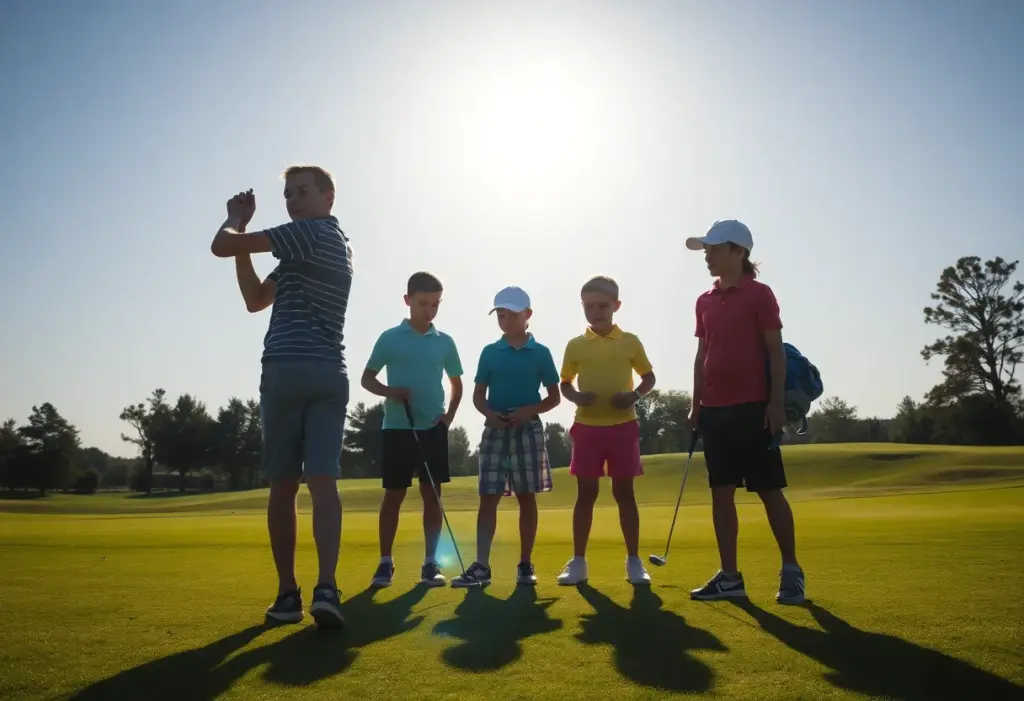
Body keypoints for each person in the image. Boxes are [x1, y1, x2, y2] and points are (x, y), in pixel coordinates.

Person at [209, 165, 351, 628]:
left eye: (303, 192)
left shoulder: (308, 234)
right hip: (328, 372)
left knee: (287, 485)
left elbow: (221, 244)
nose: (293, 201)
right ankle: (320, 589)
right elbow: (255, 299)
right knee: (315, 482)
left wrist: (236, 221)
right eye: (288, 195)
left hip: (291, 371)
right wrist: (245, 240)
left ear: (329, 198)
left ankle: (293, 592)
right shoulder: (310, 247)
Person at [684, 219, 805, 605]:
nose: (707, 255)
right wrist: (695, 403)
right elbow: (702, 355)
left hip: (755, 409)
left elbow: (774, 350)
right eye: (706, 249)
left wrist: (773, 404)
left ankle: (791, 571)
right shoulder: (703, 300)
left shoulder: (760, 295)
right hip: (715, 411)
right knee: (721, 495)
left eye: (714, 249)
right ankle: (731, 577)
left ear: (739, 251)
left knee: (769, 491)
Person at [450, 286, 561, 588]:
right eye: (500, 315)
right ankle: (482, 566)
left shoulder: (541, 353)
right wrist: (489, 415)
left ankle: (525, 564)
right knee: (489, 497)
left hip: (528, 428)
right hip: (495, 428)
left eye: (511, 314)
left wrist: (529, 411)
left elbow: (554, 398)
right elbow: (477, 397)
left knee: (527, 497)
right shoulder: (489, 352)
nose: (505, 320)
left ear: (528, 315)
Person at [361, 271, 464, 588]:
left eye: (435, 304)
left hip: (432, 428)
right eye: (423, 303)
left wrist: (448, 417)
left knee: (432, 495)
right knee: (394, 495)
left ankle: (430, 563)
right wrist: (391, 392)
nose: (429, 310)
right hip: (397, 427)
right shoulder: (390, 338)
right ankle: (385, 562)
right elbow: (367, 379)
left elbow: (457, 384)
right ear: (408, 301)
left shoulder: (445, 342)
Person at [556, 276, 656, 586]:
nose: (595, 312)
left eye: (602, 306)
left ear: (616, 306)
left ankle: (634, 562)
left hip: (623, 426)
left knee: (623, 493)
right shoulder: (575, 345)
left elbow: (648, 378)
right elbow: (564, 383)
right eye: (589, 306)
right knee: (586, 494)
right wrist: (574, 397)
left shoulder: (630, 342)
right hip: (586, 427)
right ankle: (579, 562)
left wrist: (633, 396)